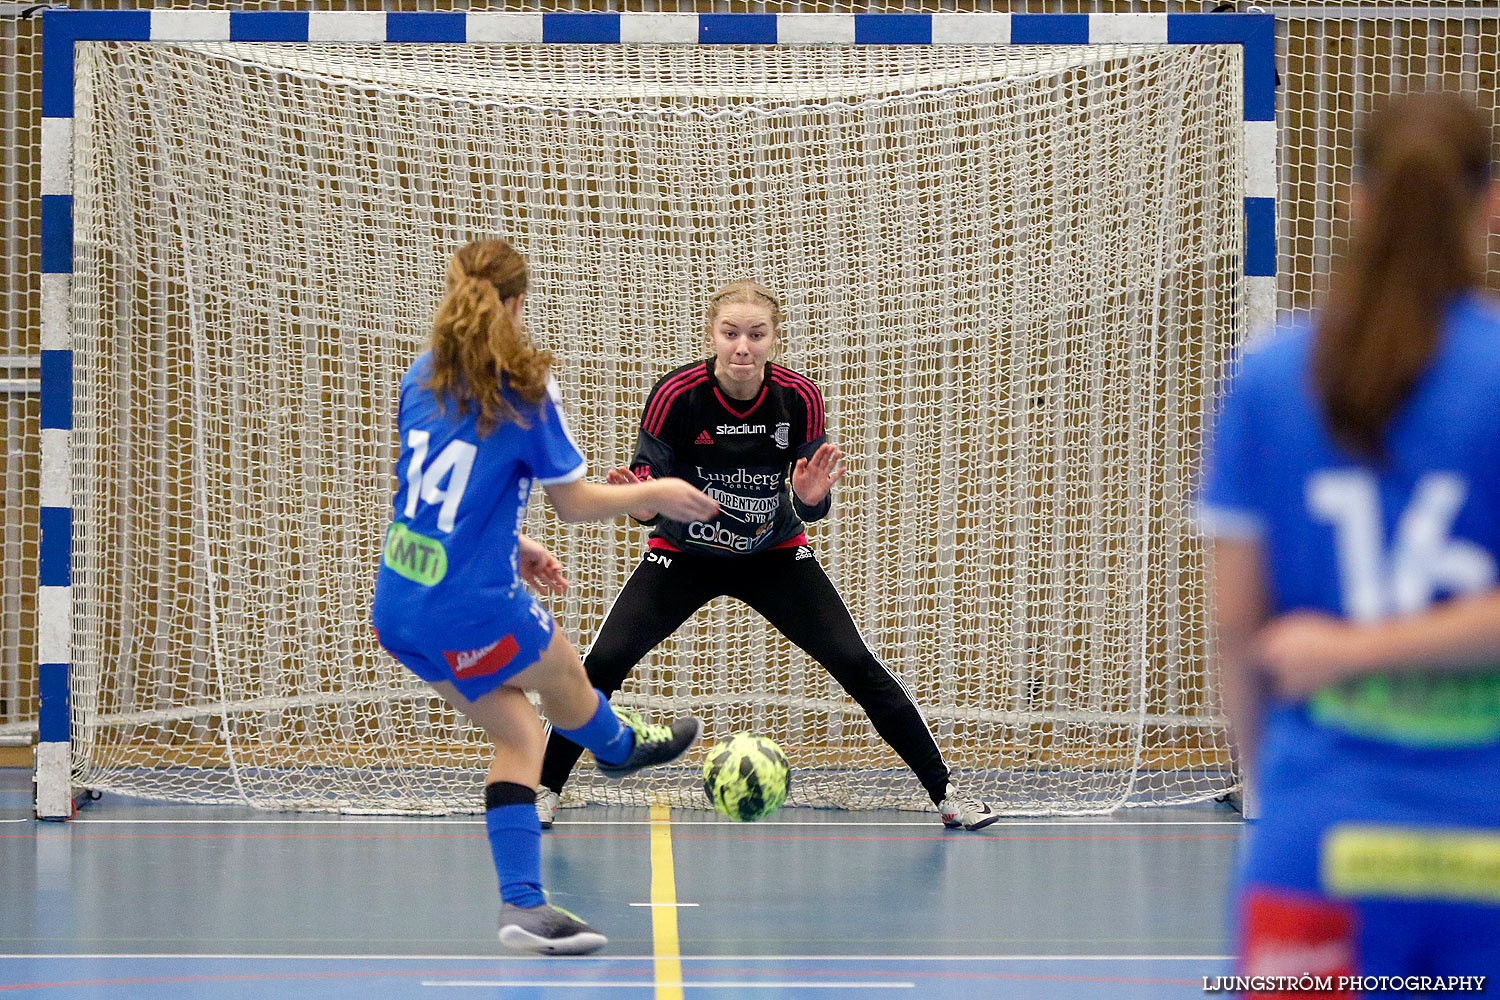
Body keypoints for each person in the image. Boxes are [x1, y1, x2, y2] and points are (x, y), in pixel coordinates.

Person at [1198, 92, 1500, 992]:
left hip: (1319, 834)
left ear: (1356, 202)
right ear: (1490, 204)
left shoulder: (1271, 380)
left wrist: (1341, 668)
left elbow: (1234, 630)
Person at [535, 280, 999, 831]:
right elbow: (647, 501)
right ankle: (543, 789)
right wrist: (636, 505)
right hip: (684, 555)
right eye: (730, 333)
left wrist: (809, 498)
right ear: (712, 335)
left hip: (773, 554)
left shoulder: (798, 399)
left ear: (773, 340)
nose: (742, 347)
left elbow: (813, 502)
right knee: (602, 664)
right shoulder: (675, 396)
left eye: (756, 335)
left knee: (854, 661)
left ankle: (947, 794)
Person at [370, 238, 721, 956]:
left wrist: (514, 546)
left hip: (399, 600)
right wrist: (656, 494)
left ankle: (523, 908)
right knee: (565, 683)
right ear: (519, 304)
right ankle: (619, 746)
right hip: (469, 604)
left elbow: (422, 493)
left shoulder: (421, 375)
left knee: (520, 735)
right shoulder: (524, 387)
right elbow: (574, 503)